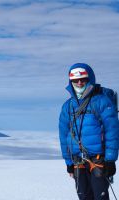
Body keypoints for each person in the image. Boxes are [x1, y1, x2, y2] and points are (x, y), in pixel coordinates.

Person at [59, 63, 119, 200]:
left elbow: (112, 131)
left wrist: (110, 159)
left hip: (98, 159)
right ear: (71, 81)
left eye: (83, 79)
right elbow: (63, 135)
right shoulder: (68, 107)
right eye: (75, 80)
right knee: (84, 196)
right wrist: (68, 162)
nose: (79, 83)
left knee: (100, 197)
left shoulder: (101, 101)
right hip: (77, 161)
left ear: (90, 78)